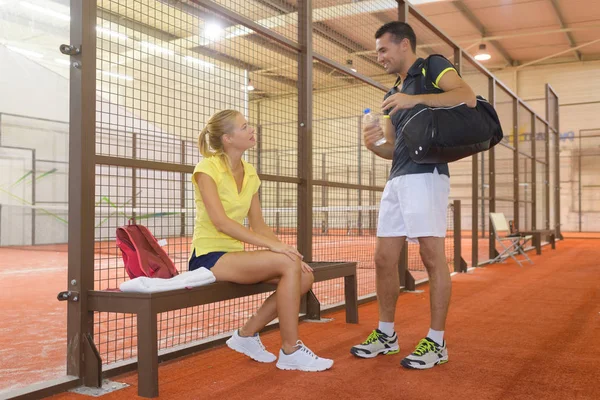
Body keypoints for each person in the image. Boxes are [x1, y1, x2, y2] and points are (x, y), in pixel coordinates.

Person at [350, 22, 476, 369]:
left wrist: (415, 97)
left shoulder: (432, 67)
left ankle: (437, 342)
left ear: (404, 45)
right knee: (383, 259)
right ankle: (387, 335)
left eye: (383, 50)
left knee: (433, 258)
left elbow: (466, 96)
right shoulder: (393, 92)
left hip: (427, 176)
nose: (380, 57)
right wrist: (372, 143)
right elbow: (391, 148)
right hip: (398, 179)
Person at [189, 109, 333, 372]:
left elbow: (258, 224)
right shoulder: (206, 168)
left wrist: (287, 250)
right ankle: (290, 350)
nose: (251, 129)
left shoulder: (250, 172)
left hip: (235, 255)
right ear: (228, 138)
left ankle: (246, 334)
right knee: (288, 265)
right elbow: (221, 222)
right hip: (209, 257)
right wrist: (272, 247)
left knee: (303, 275)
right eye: (244, 127)